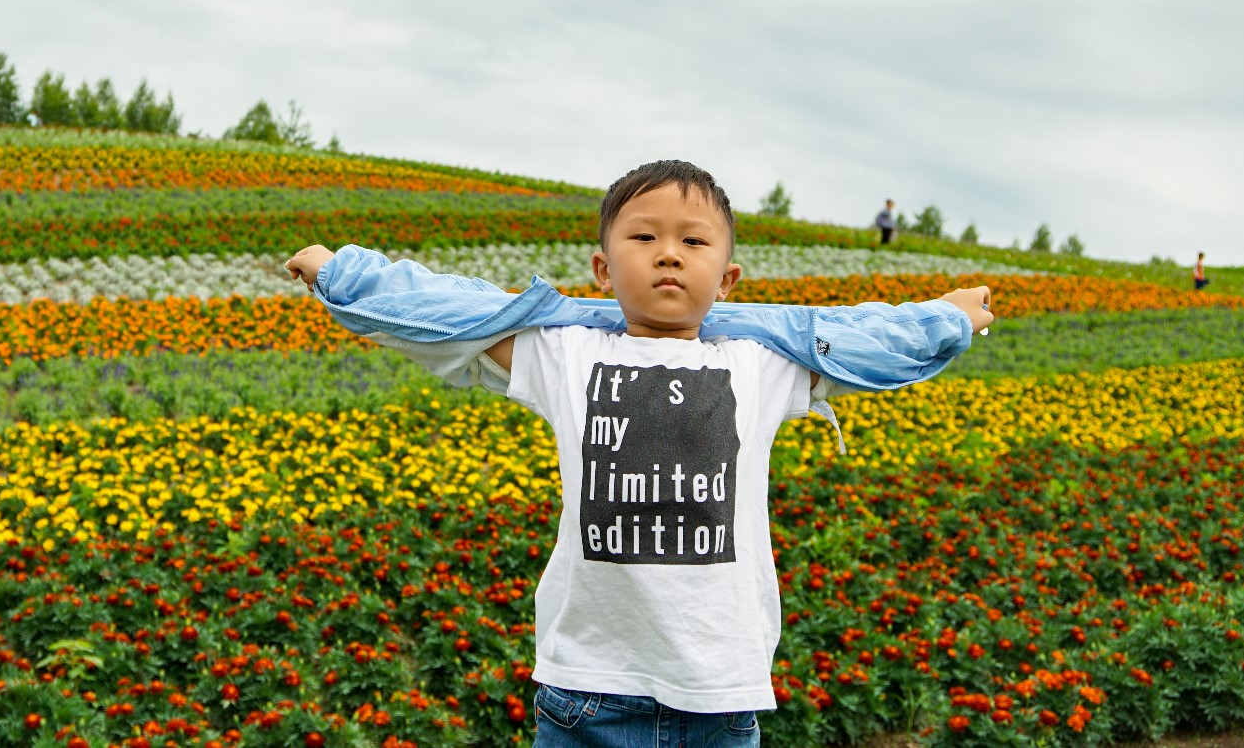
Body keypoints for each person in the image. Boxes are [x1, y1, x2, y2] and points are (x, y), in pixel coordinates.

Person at [287, 159, 995, 748]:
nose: (668, 252)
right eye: (644, 235)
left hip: (720, 692)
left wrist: (947, 316)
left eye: (694, 241)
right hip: (590, 691)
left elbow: (860, 338)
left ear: (728, 281)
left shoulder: (761, 362)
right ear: (601, 267)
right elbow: (451, 313)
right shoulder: (566, 352)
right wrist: (338, 273)